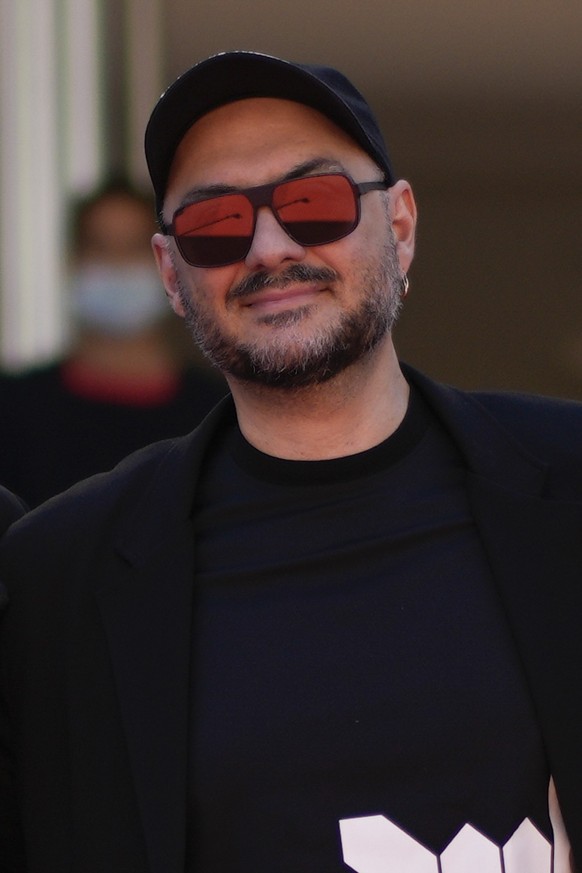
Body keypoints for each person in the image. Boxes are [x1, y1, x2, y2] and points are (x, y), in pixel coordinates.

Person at [0, 50, 581, 872]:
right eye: (215, 225)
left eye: (314, 201)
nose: (269, 247)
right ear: (172, 272)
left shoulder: (568, 486)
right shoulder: (64, 578)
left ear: (402, 225)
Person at [0, 178, 227, 507]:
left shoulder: (218, 413)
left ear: (167, 266)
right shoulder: (14, 410)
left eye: (134, 247)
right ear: (72, 262)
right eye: (101, 247)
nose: (118, 263)